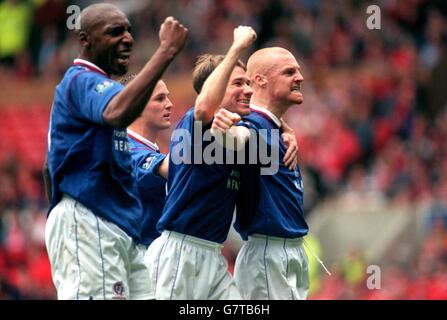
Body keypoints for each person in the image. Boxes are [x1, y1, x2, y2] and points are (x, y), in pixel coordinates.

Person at [43, 3, 187, 300]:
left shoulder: (97, 89)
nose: (128, 39)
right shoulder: (80, 79)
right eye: (115, 31)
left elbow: (49, 167)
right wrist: (166, 52)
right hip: (90, 220)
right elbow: (116, 112)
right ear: (85, 40)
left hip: (119, 229)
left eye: (129, 31)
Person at [144, 25, 257, 300]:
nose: (248, 90)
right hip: (179, 255)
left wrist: (286, 131)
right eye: (237, 83)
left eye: (248, 83)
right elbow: (206, 107)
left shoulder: (240, 133)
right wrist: (237, 47)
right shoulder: (194, 123)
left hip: (213, 256)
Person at [212, 47, 317, 300]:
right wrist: (224, 130)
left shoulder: (272, 127)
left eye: (299, 71)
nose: (300, 78)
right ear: (260, 80)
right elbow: (239, 136)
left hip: (285, 250)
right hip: (268, 252)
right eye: (289, 72)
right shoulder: (253, 126)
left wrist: (283, 127)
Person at [122, 76, 172, 247]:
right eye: (160, 98)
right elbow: (175, 167)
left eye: (167, 96)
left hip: (150, 250)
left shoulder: (149, 148)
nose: (169, 104)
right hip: (135, 253)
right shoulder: (124, 148)